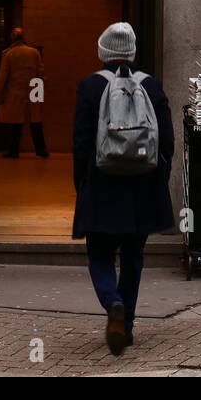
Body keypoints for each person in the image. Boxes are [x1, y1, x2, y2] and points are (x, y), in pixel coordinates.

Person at [72, 22, 174, 355]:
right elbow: (167, 142)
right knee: (133, 256)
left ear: (103, 52)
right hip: (143, 186)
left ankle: (112, 302)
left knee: (99, 254)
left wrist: (82, 185)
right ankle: (125, 325)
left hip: (102, 185)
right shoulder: (152, 87)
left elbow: (82, 143)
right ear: (132, 52)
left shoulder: (90, 87)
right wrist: (159, 177)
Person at [0, 27, 48, 158]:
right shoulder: (34, 52)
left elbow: (3, 75)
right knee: (35, 122)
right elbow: (40, 74)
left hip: (15, 92)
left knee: (15, 124)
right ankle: (41, 150)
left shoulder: (8, 54)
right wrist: (39, 95)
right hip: (33, 90)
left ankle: (13, 151)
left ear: (12, 38)